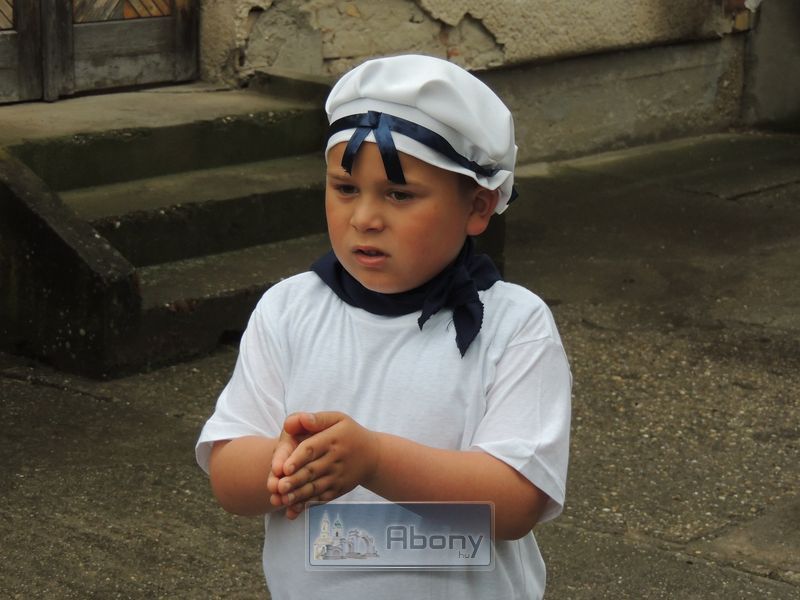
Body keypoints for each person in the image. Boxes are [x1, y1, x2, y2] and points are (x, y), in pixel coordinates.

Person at [196, 54, 571, 599]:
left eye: (399, 194)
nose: (365, 218)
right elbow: (229, 476)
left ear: (478, 206)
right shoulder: (288, 311)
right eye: (345, 188)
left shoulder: (515, 327)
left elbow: (515, 504)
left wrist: (373, 460)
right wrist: (285, 460)